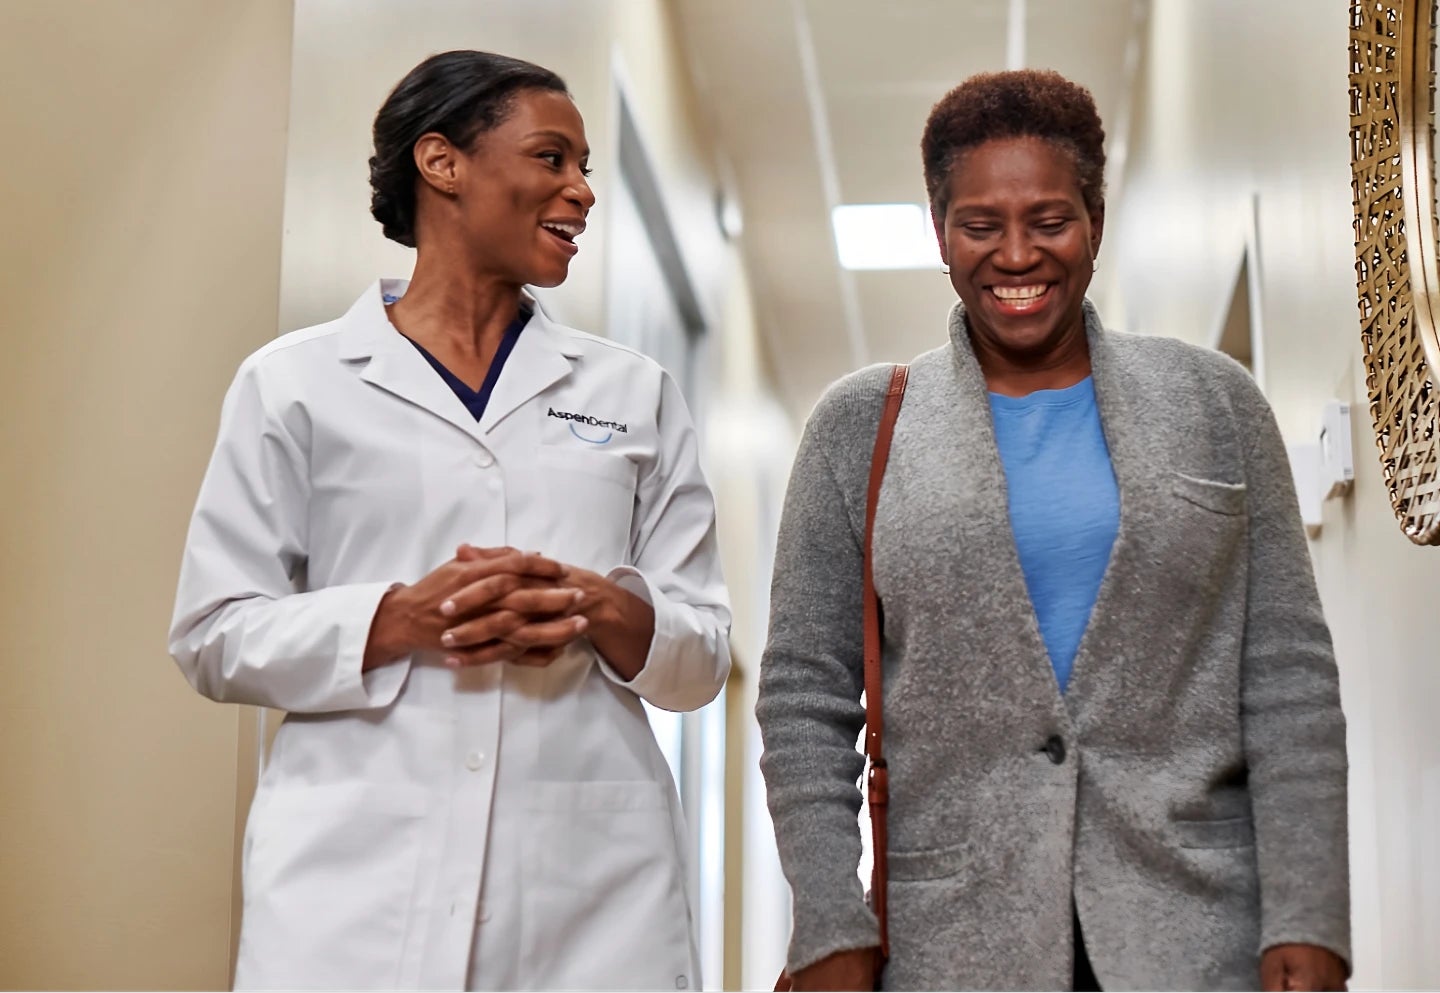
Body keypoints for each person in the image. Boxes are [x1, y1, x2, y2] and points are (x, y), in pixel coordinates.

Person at [756, 69, 1350, 992]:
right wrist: (831, 921)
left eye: (1050, 220)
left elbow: (1286, 677)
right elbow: (804, 698)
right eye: (980, 225)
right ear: (940, 231)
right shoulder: (860, 427)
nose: (1016, 254)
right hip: (952, 943)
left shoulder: (1214, 402)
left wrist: (1310, 918)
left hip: (1198, 930)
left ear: (1096, 222)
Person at [168, 50, 730, 991]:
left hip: (589, 899)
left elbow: (703, 652)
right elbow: (212, 632)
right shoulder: (293, 384)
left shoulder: (636, 393)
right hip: (352, 893)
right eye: (553, 158)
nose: (583, 191)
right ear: (443, 164)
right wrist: (403, 616)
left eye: (586, 165)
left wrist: (594, 605)